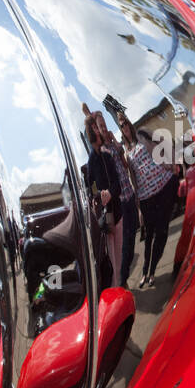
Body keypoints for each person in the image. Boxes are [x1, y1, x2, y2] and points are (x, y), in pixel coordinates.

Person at [119, 116, 177, 289]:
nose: (124, 127)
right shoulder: (126, 151)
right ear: (121, 130)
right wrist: (137, 200)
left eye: (125, 123)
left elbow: (165, 142)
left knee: (162, 232)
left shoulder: (143, 133)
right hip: (146, 197)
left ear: (129, 123)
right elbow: (133, 176)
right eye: (121, 126)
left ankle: (152, 271)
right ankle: (144, 271)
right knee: (149, 236)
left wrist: (171, 162)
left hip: (163, 185)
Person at [83, 116, 123, 289]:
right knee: (112, 261)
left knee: (120, 258)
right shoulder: (91, 163)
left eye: (97, 126)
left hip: (118, 214)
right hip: (106, 220)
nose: (98, 130)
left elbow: (117, 184)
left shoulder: (107, 157)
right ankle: (114, 291)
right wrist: (99, 194)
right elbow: (90, 190)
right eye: (94, 127)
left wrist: (111, 193)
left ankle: (120, 288)